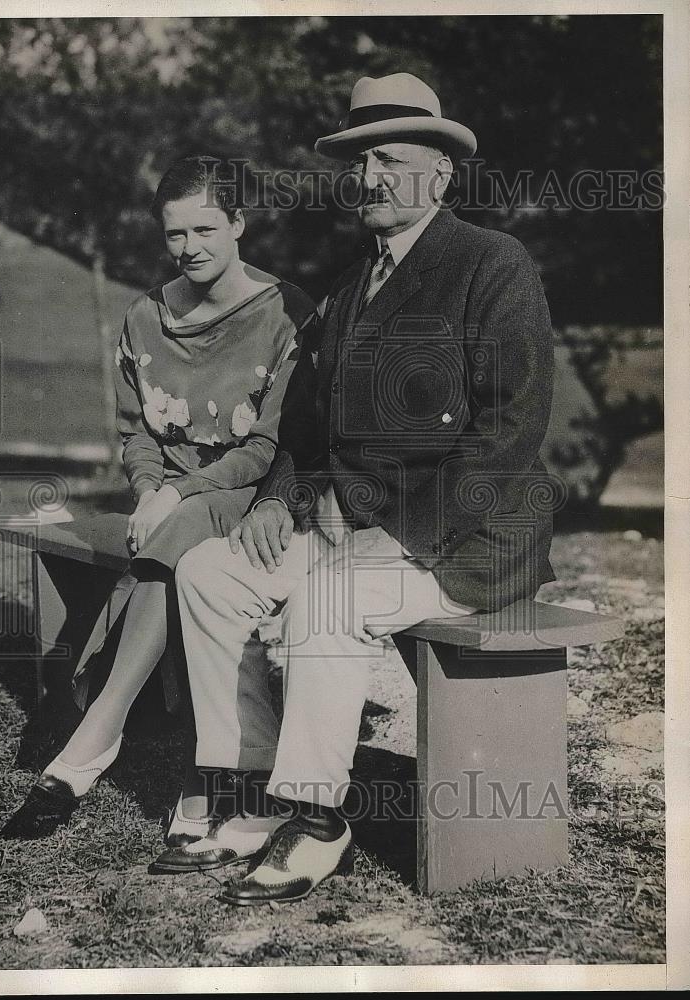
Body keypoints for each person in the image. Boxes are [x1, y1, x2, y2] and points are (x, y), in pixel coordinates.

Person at [149, 73, 557, 905]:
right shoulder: (345, 288)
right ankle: (248, 785)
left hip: (466, 539)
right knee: (210, 576)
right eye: (362, 160)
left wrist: (403, 535)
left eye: (393, 160)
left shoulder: (490, 265)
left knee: (330, 598)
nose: (371, 177)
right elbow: (306, 431)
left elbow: (509, 429)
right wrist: (276, 502)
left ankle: (314, 817)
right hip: (351, 530)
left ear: (439, 176)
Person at [1, 156, 315, 841]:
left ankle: (91, 741)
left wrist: (174, 491)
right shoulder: (145, 316)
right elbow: (135, 431)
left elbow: (266, 448)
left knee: (194, 517)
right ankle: (169, 766)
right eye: (175, 234)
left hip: (250, 499)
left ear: (239, 222)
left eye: (205, 228)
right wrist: (151, 489)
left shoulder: (286, 314)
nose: (190, 247)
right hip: (166, 507)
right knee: (180, 531)